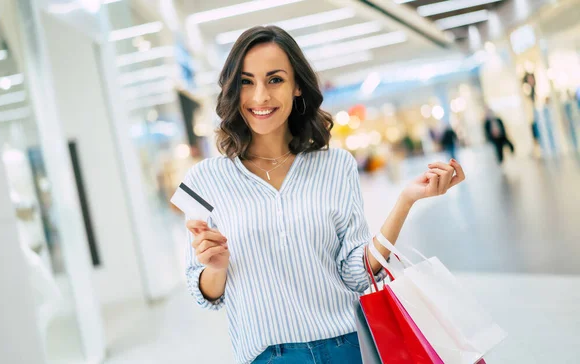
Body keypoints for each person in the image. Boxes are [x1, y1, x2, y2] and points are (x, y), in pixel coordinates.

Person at [183, 26, 465, 364]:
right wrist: (216, 267)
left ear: (297, 86)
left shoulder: (337, 165)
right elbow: (203, 294)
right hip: (268, 356)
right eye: (246, 81)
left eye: (275, 80)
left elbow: (355, 273)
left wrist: (404, 200)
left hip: (347, 347)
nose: (259, 96)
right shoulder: (202, 180)